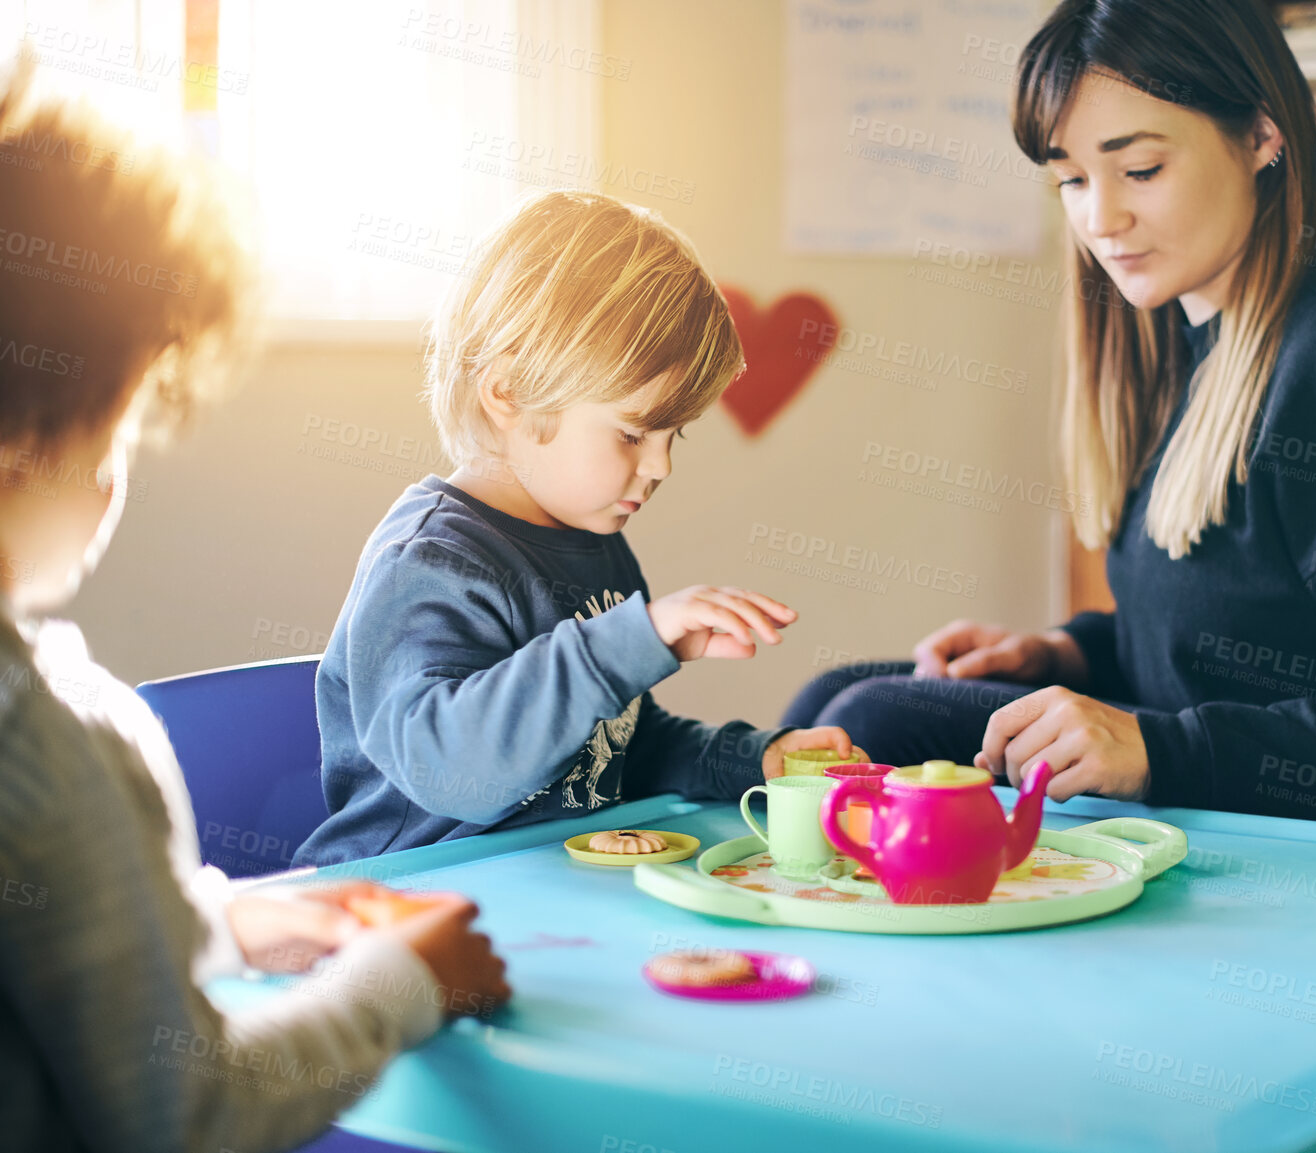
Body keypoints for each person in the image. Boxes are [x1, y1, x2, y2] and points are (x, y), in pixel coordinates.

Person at [783, 0, 1316, 843]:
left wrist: (1159, 747)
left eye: (1141, 169)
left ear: (1262, 134)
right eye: (1072, 179)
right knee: (839, 698)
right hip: (1245, 810)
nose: (1099, 219)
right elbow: (1245, 626)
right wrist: (1071, 654)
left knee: (878, 719)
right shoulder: (1178, 337)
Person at [0, 56, 510, 1151]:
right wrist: (399, 981)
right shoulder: (51, 739)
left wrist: (222, 920)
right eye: (123, 428)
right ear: (29, 447)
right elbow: (186, 1113)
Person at [296, 190, 852, 866]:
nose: (661, 465)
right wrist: (626, 642)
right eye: (631, 432)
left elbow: (607, 749)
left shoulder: (595, 549)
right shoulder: (429, 563)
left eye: (674, 434)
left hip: (547, 886)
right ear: (508, 393)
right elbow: (454, 773)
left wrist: (749, 757)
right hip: (407, 899)